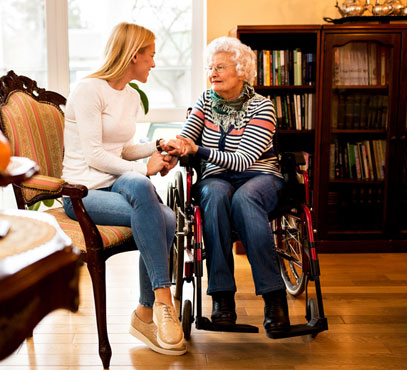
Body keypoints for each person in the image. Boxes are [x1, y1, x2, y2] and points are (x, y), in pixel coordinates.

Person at [61, 22, 185, 355]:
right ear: (134, 55)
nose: (154, 64)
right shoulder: (89, 90)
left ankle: (149, 310)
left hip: (115, 185)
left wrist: (157, 147)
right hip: (83, 194)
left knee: (153, 200)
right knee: (163, 215)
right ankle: (158, 304)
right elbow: (94, 155)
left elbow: (121, 150)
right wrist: (143, 168)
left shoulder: (129, 96)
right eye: (151, 56)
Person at [175, 36, 290, 336]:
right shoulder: (204, 102)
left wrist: (197, 150)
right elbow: (186, 138)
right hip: (217, 179)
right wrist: (172, 147)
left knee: (245, 200)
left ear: (241, 71)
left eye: (221, 67)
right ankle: (222, 298)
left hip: (260, 176)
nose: (212, 72)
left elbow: (242, 160)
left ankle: (274, 299)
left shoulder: (262, 107)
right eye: (210, 67)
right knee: (212, 195)